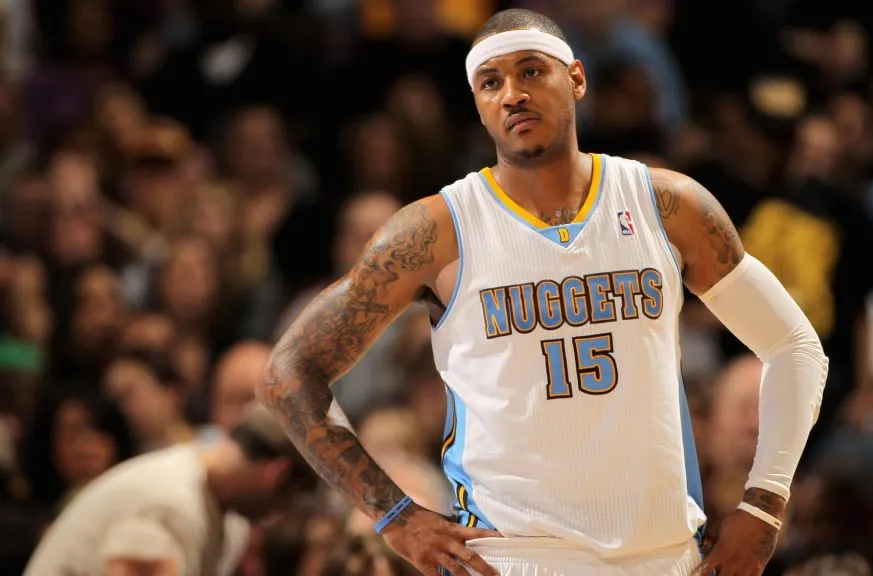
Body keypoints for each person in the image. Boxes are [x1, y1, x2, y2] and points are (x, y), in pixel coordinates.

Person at [259, 8, 828, 576]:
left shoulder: (667, 205)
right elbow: (289, 370)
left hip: (663, 555)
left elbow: (795, 345)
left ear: (576, 78)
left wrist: (765, 503)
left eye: (531, 72)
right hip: (514, 557)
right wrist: (395, 516)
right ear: (478, 105)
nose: (512, 94)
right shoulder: (436, 232)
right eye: (491, 82)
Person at [22, 404, 319, 576]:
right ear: (277, 476)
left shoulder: (228, 520)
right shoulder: (170, 502)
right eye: (289, 501)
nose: (277, 516)